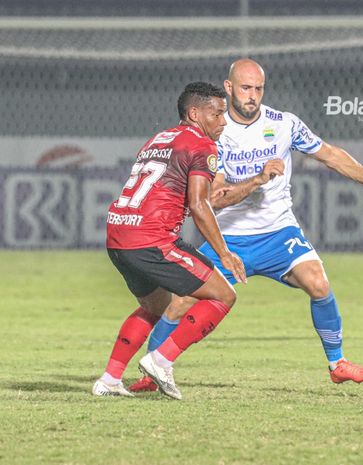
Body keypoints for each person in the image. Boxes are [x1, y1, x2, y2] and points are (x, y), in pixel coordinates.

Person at [130, 58, 363, 393]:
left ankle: (338, 364)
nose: (253, 96)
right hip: (229, 238)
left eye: (259, 88)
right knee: (179, 303)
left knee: (318, 283)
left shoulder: (284, 123)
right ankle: (150, 372)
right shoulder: (215, 133)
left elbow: (330, 154)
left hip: (279, 233)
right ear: (229, 88)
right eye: (246, 88)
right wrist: (258, 179)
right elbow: (213, 199)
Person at [92, 81, 247, 399]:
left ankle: (109, 380)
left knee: (155, 306)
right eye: (216, 114)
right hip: (151, 239)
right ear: (194, 113)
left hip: (118, 235)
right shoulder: (202, 146)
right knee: (223, 295)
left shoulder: (157, 139)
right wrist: (225, 253)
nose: (223, 121)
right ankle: (160, 361)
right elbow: (199, 204)